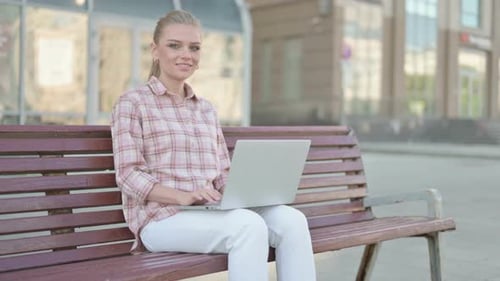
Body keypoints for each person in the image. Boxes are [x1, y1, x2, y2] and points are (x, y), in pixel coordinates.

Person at [111, 9, 316, 281]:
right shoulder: (132, 103)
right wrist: (181, 196)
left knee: (292, 221)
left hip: (211, 212)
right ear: (155, 50)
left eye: (194, 48)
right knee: (248, 226)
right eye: (175, 45)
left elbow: (221, 173)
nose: (186, 54)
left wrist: (244, 191)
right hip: (161, 219)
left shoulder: (206, 109)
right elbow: (128, 175)